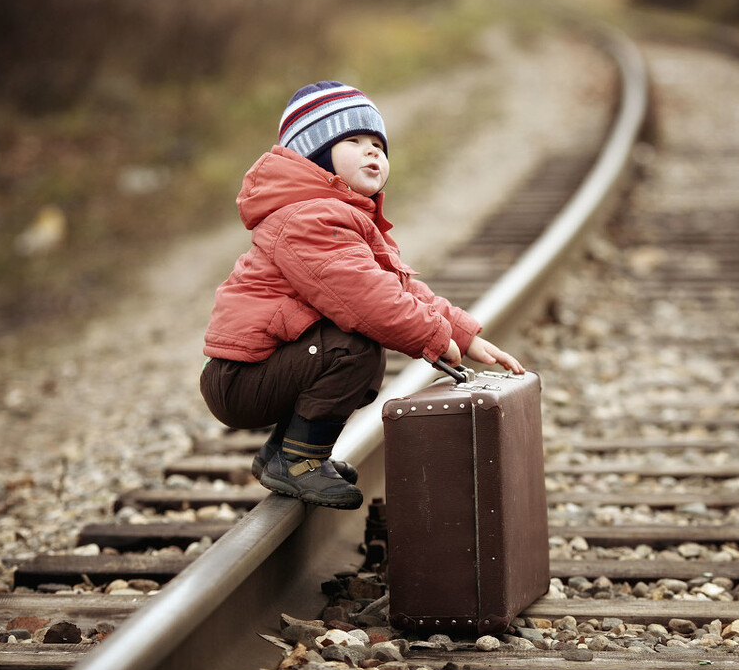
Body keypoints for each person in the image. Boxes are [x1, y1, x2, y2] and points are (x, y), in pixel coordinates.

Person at [200, 81, 523, 509]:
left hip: (259, 369)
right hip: (241, 380)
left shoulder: (339, 214)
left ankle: (284, 453)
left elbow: (399, 286)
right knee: (355, 347)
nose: (372, 151)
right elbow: (368, 300)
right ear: (315, 156)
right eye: (353, 141)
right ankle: (299, 461)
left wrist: (463, 334)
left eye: (378, 144)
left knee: (354, 345)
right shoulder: (310, 218)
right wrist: (430, 337)